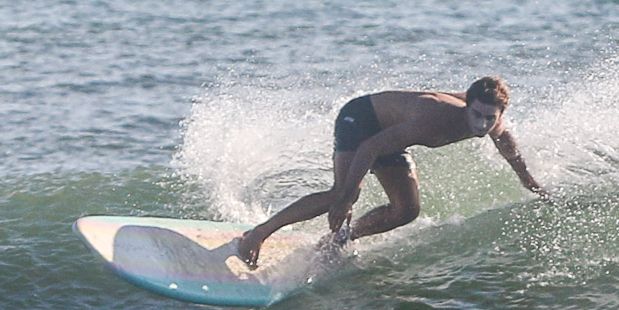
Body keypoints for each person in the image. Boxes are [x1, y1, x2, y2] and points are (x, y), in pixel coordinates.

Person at [235, 76, 549, 268]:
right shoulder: (433, 117)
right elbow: (369, 148)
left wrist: (538, 190)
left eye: (489, 119)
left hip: (392, 133)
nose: (481, 125)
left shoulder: (498, 129)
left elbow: (517, 164)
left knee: (406, 209)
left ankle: (339, 240)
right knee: (342, 193)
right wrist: (345, 200)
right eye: (476, 115)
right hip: (361, 121)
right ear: (468, 107)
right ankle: (257, 234)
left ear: (501, 115)